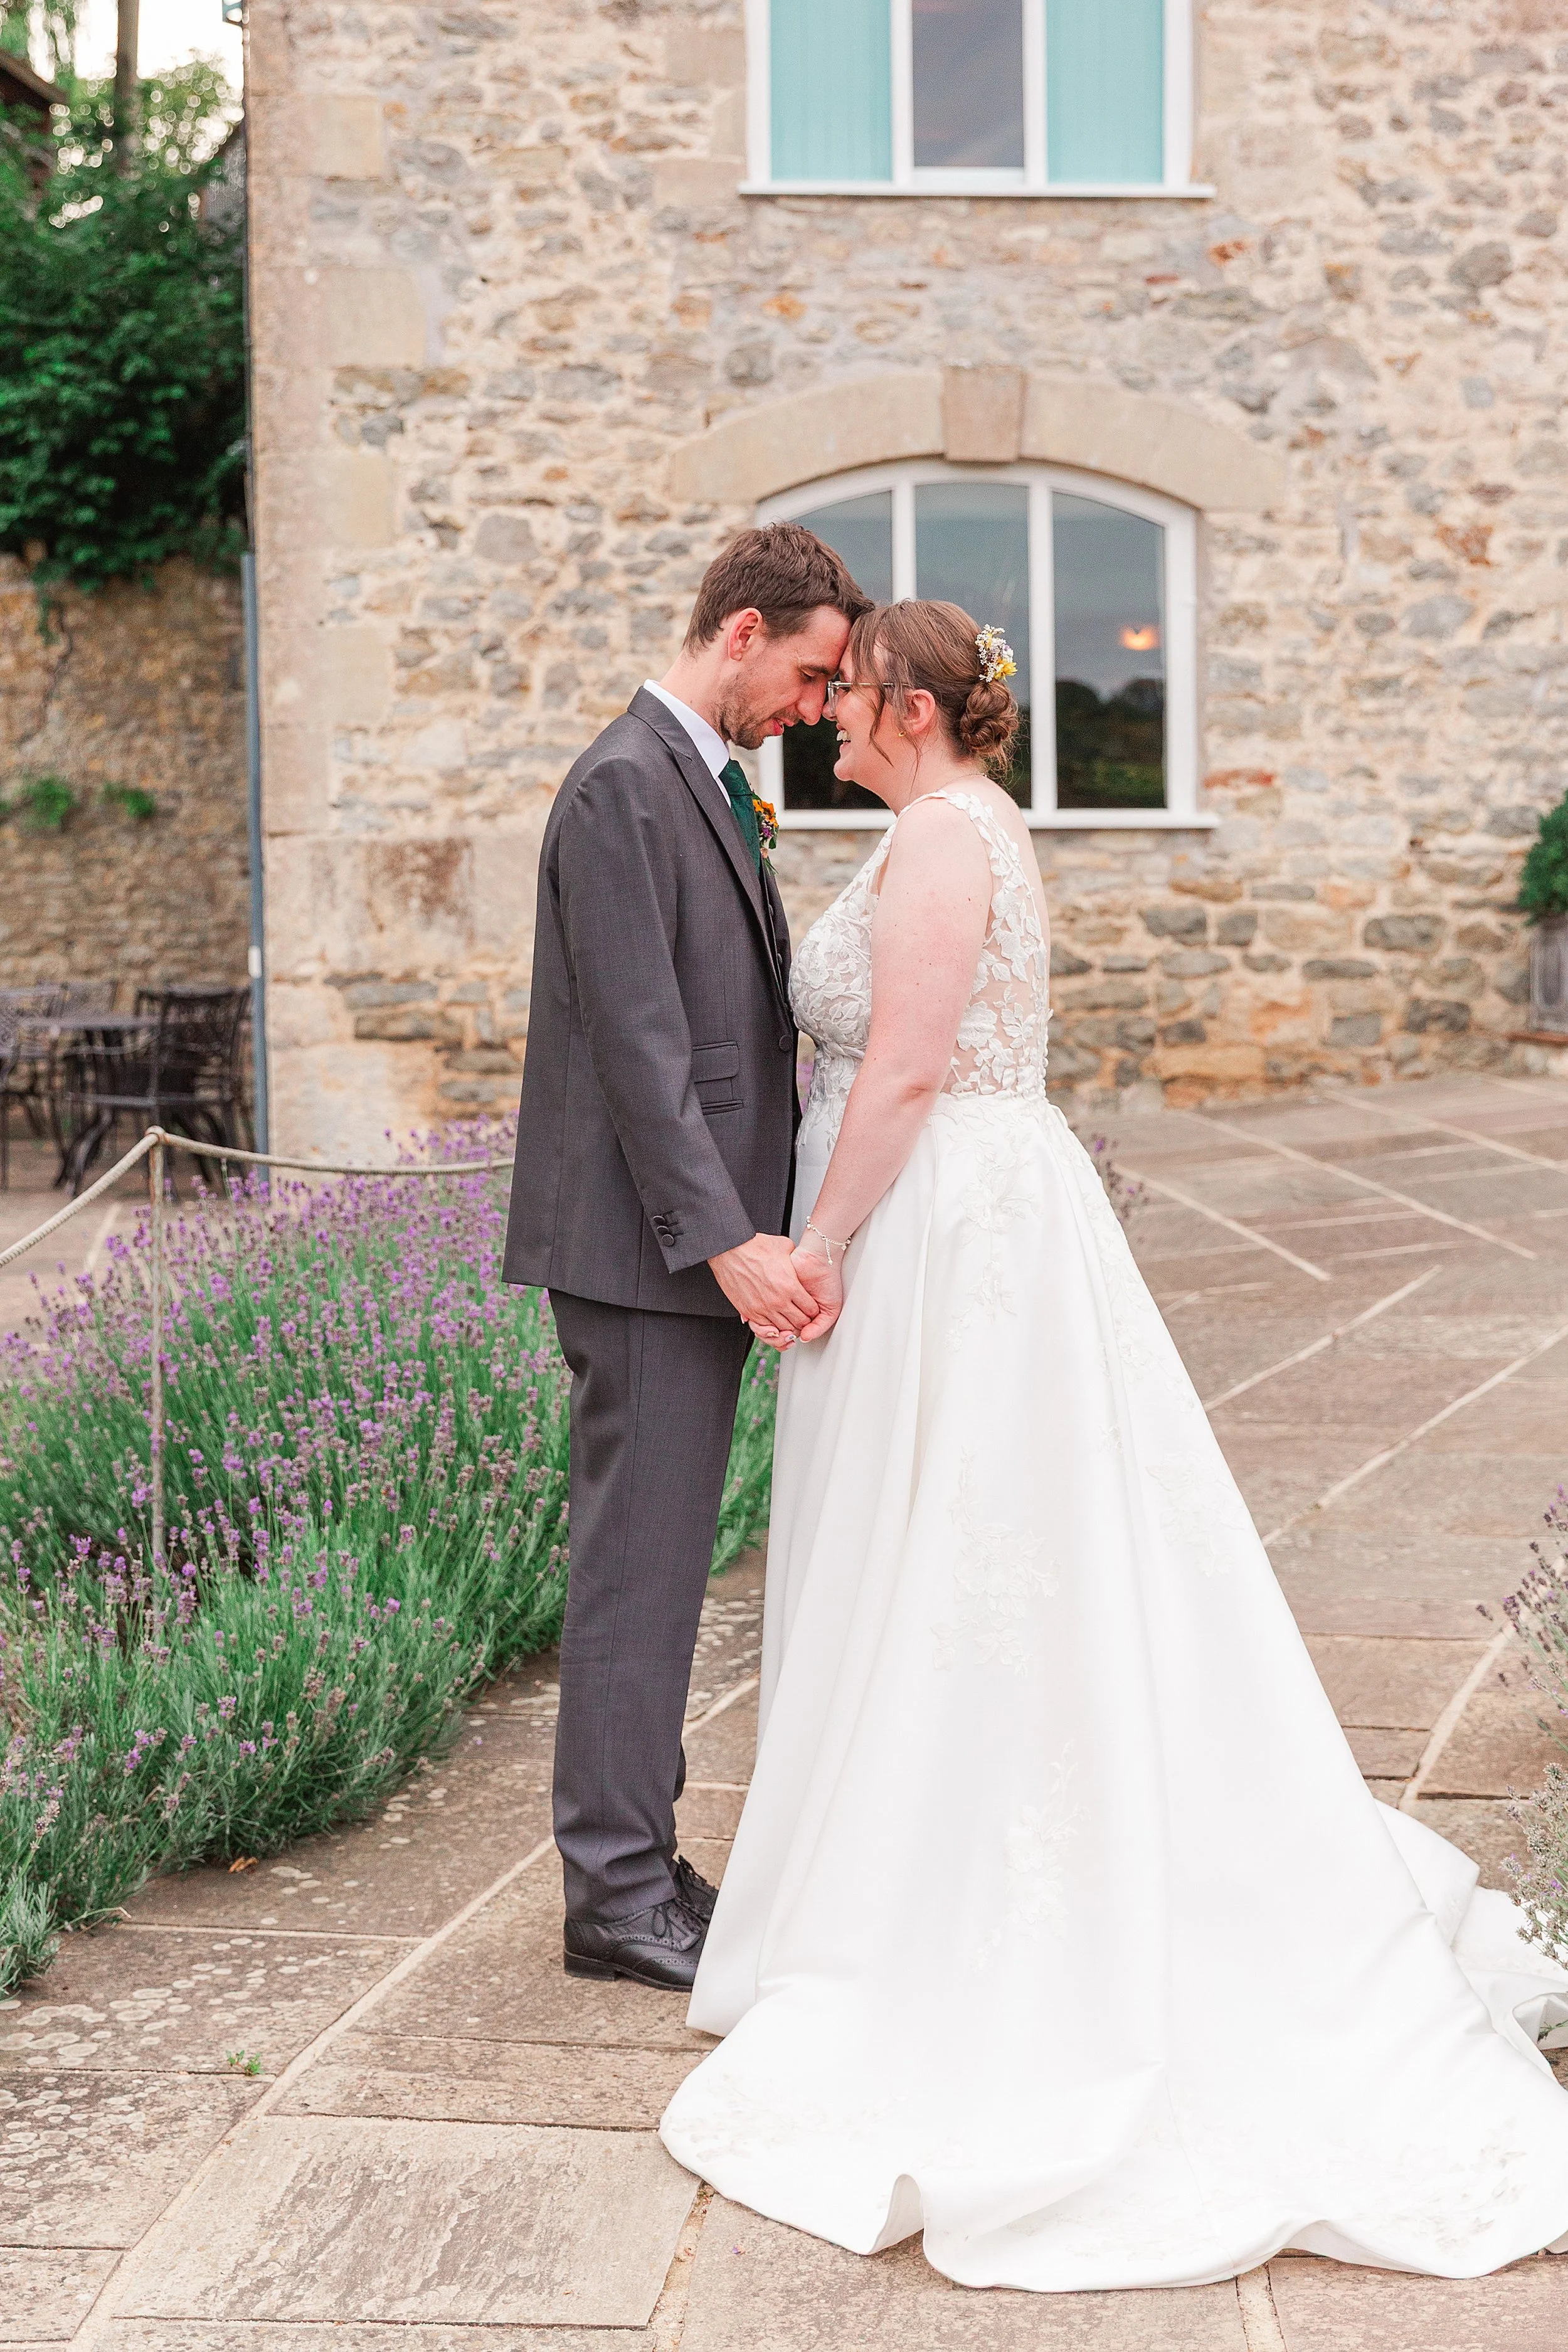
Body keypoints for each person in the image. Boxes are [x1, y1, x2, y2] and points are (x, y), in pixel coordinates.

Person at [659, 598, 1568, 2287]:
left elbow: (912, 1068)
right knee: (956, 1545)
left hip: (943, 1228)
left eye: (846, 695)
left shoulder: (940, 836)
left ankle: (964, 1902)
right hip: (963, 1217)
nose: (824, 719)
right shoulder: (952, 821)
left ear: (913, 708)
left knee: (971, 1541)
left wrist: (823, 1243)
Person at [503, 523, 868, 1992]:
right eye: (805, 671)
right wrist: (727, 1245)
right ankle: (610, 1897)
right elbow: (642, 1057)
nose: (809, 703)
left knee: (656, 1574)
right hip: (647, 1260)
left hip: (677, 1255)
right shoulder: (618, 790)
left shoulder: (692, 779)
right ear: (737, 635)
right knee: (635, 1580)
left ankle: (641, 1861)